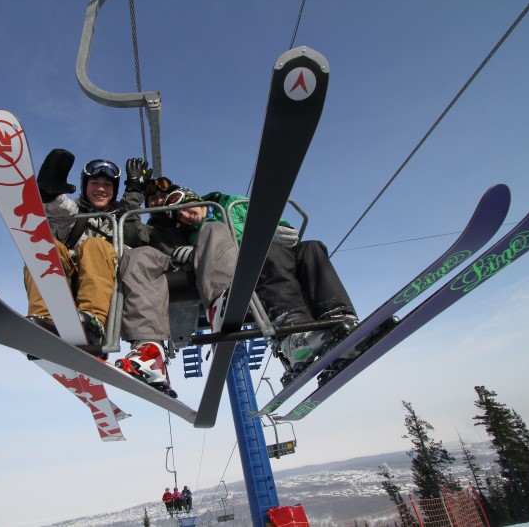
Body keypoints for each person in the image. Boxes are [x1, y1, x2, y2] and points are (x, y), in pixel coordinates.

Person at [132, 181, 358, 386]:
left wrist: (278, 228)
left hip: (276, 249)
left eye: (185, 209)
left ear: (195, 199)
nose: (185, 217)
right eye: (179, 217)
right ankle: (292, 334)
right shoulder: (194, 234)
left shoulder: (233, 204)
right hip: (253, 263)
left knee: (312, 248)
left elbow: (272, 221)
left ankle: (341, 320)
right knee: (269, 256)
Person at [24, 149, 152, 354]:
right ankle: (44, 319)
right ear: (85, 186)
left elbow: (136, 241)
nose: (101, 189)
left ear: (114, 190)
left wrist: (135, 190)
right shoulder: (74, 213)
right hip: (69, 281)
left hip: (104, 290)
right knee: (47, 246)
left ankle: (92, 323)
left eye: (107, 185)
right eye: (95, 184)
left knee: (95, 245)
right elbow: (59, 207)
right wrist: (49, 191)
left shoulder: (120, 222)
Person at [115, 184, 237, 396]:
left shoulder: (205, 219)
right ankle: (150, 352)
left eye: (165, 198)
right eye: (153, 199)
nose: (185, 215)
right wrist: (134, 191)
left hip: (204, 266)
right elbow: (128, 231)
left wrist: (196, 249)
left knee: (213, 229)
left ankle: (221, 301)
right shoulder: (155, 230)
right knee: (136, 256)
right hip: (168, 266)